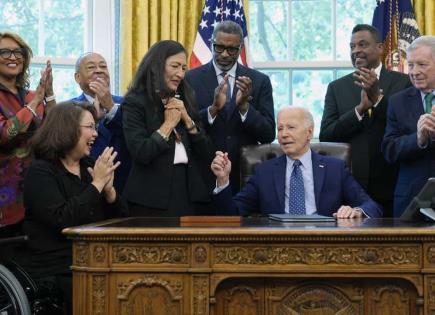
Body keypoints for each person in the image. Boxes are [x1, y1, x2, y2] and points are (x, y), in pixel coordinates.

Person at [18, 101, 127, 314]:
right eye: (90, 127)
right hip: (55, 265)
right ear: (67, 129)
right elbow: (63, 220)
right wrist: (96, 185)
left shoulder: (89, 166)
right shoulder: (41, 171)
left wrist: (109, 192)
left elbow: (121, 220)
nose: (95, 134)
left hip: (93, 259)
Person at [212, 107, 382, 218]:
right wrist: (223, 180)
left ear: (309, 132)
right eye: (280, 129)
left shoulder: (334, 168)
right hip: (278, 247)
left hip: (324, 244)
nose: (283, 134)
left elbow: (372, 207)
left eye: (291, 128)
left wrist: (357, 211)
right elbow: (231, 214)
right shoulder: (265, 171)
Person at [319, 24, 410, 217]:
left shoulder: (403, 83)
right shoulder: (337, 87)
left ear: (380, 48)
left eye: (362, 44)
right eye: (352, 46)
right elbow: (327, 134)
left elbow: (407, 127)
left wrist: (377, 99)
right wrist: (358, 111)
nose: (356, 51)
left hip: (393, 184)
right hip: (351, 188)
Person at [122, 40, 212, 216]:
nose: (180, 74)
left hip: (190, 193)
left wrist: (188, 122)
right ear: (156, 66)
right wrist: (168, 125)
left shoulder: (186, 97)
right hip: (150, 199)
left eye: (184, 68)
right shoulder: (135, 102)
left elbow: (206, 152)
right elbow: (141, 152)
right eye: (175, 66)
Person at [185, 20, 275, 195]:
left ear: (240, 48)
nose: (224, 54)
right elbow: (186, 128)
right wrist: (213, 110)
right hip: (202, 176)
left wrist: (244, 108)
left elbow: (268, 134)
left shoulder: (259, 81)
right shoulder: (190, 79)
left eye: (232, 49)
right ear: (211, 44)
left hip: (245, 178)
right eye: (219, 47)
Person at [0, 32, 55, 230]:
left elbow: (56, 132)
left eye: (18, 52)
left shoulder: (32, 95)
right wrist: (36, 101)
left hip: (39, 191)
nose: (13, 57)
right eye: (5, 52)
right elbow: (6, 134)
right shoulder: (34, 99)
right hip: (6, 199)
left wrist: (48, 94)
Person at [382, 35, 435, 217]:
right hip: (412, 200)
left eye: (422, 64)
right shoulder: (397, 102)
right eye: (411, 65)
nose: (414, 71)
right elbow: (389, 150)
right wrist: (418, 139)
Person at [71, 52, 130, 193]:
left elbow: (132, 136)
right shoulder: (69, 108)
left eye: (103, 66)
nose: (99, 70)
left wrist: (110, 107)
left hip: (124, 181)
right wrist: (94, 122)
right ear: (78, 77)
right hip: (85, 182)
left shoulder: (128, 103)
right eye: (91, 67)